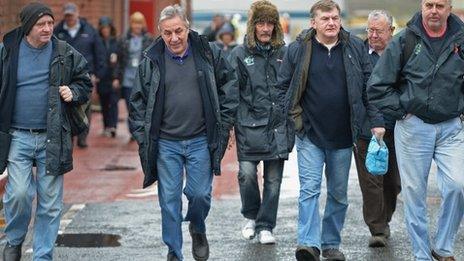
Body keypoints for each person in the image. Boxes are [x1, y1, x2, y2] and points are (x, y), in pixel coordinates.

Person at [277, 0, 385, 260]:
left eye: (335, 18)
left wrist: (376, 121)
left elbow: (370, 88)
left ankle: (330, 244)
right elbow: (283, 89)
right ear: (313, 22)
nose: (331, 23)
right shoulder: (297, 50)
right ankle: (308, 244)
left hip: (343, 135)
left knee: (338, 194)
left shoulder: (355, 48)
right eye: (325, 18)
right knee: (310, 190)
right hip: (310, 135)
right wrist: (297, 122)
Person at [129, 4, 238, 261]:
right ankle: (174, 251)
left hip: (201, 139)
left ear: (187, 28)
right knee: (169, 200)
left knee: (199, 195)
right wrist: (143, 136)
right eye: (167, 33)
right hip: (166, 143)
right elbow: (137, 100)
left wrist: (224, 123)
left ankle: (197, 227)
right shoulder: (151, 59)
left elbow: (229, 85)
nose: (174, 38)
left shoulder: (207, 53)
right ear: (160, 33)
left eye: (178, 31)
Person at [368, 0, 464, 260]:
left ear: (449, 8)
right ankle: (421, 255)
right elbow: (377, 86)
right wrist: (402, 111)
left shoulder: (461, 39)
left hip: (451, 127)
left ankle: (443, 247)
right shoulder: (404, 41)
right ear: (422, 6)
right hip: (413, 127)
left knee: (459, 186)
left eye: (440, 5)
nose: (434, 10)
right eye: (429, 4)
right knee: (414, 195)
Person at [0, 3, 91, 260]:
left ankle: (43, 256)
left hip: (53, 136)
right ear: (28, 27)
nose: (48, 29)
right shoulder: (8, 51)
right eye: (41, 24)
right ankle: (15, 239)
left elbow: (84, 80)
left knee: (50, 204)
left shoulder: (63, 51)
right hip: (17, 136)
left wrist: (73, 92)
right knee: (18, 194)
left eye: (51, 23)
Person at [228, 0, 288, 245]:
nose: (265, 29)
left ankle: (266, 226)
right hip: (248, 126)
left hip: (277, 127)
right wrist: (230, 125)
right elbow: (231, 93)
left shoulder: (285, 53)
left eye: (270, 24)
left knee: (273, 181)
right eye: (261, 23)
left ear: (276, 27)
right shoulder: (239, 55)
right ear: (252, 26)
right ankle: (251, 216)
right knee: (247, 174)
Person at [353, 10, 401, 248]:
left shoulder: (401, 54)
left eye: (378, 31)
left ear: (391, 31)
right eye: (369, 30)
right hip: (366, 130)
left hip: (397, 129)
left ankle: (385, 218)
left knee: (393, 182)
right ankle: (378, 229)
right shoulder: (358, 55)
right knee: (372, 181)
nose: (372, 35)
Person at [54, 2, 106, 148]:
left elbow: (99, 53)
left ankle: (82, 136)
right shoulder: (58, 32)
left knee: (85, 106)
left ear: (77, 14)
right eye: (67, 16)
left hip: (86, 75)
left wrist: (97, 74)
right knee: (66, 106)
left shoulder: (90, 31)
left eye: (71, 15)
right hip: (64, 77)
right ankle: (69, 135)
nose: (69, 18)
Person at [114, 12, 152, 141]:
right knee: (130, 107)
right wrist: (116, 78)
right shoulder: (123, 39)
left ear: (143, 24)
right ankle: (132, 132)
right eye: (135, 22)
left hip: (142, 78)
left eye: (139, 23)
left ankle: (141, 129)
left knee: (142, 106)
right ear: (131, 24)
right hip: (127, 78)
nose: (137, 25)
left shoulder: (149, 39)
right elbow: (119, 61)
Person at [97, 16, 119, 138]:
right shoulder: (97, 42)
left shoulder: (115, 41)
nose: (105, 30)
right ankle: (106, 126)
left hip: (113, 76)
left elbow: (119, 60)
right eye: (103, 28)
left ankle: (113, 126)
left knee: (113, 102)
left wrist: (116, 77)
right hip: (102, 77)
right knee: (104, 103)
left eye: (107, 28)